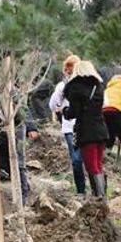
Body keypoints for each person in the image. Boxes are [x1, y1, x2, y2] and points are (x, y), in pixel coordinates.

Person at [63, 60, 109, 198]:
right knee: (98, 164)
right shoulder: (99, 86)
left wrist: (65, 111)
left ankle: (99, 197)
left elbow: (73, 112)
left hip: (86, 131)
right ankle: (101, 195)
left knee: (91, 165)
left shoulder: (75, 87)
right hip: (101, 129)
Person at [49, 54, 86, 196]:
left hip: (79, 126)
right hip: (74, 126)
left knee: (79, 160)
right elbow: (52, 105)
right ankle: (83, 191)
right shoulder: (63, 86)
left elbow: (52, 105)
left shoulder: (67, 85)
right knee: (79, 160)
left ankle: (86, 191)